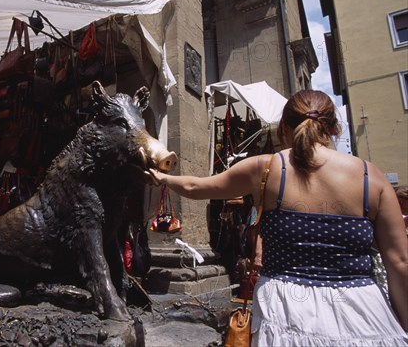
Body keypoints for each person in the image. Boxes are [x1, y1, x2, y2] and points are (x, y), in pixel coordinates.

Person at [148, 90, 408, 345]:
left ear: (283, 127)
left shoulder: (267, 168)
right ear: (335, 128)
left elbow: (197, 187)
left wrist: (163, 177)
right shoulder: (370, 177)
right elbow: (400, 262)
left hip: (286, 312)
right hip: (364, 314)